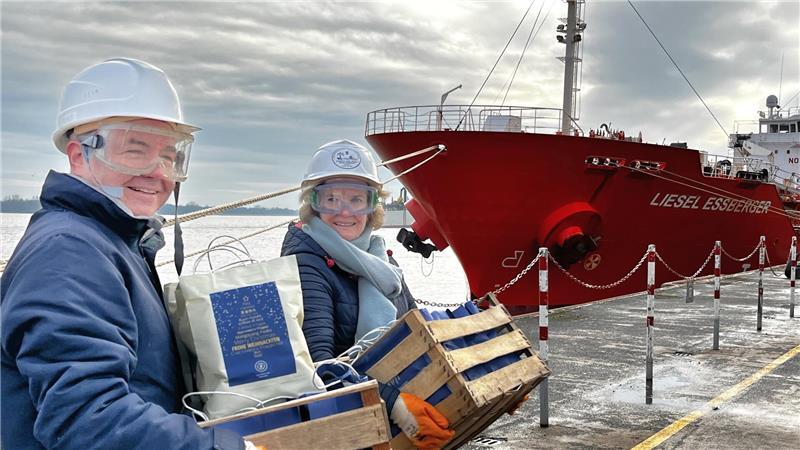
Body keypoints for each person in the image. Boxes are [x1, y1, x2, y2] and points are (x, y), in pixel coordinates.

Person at [1, 58, 251, 449]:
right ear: (78, 154)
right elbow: (89, 420)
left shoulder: (113, 241)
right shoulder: (69, 253)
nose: (159, 172)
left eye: (170, 155)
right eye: (135, 151)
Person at [280, 139, 454, 449]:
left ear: (372, 205)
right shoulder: (304, 264)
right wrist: (394, 404)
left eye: (357, 199)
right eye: (330, 198)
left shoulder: (382, 261)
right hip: (353, 430)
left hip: (393, 417)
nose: (344, 211)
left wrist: (475, 378)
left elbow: (419, 332)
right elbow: (319, 370)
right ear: (312, 204)